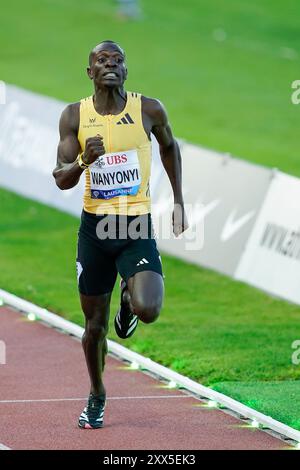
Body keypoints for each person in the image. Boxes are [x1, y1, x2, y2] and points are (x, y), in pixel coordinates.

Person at [53, 40, 188, 429]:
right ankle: (96, 393)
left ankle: (128, 301)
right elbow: (61, 178)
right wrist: (83, 160)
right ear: (90, 72)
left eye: (117, 60)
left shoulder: (148, 109)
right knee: (93, 326)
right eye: (101, 60)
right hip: (95, 230)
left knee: (149, 309)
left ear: (126, 71)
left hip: (134, 225)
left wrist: (179, 200)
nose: (110, 64)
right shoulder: (73, 117)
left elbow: (170, 147)